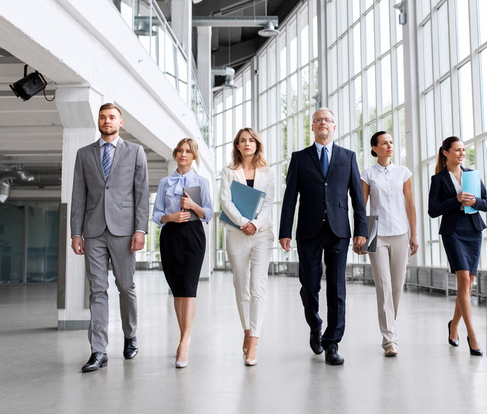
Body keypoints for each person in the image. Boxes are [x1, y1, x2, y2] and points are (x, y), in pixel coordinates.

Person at [279, 107, 368, 365]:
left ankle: (332, 343)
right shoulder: (299, 158)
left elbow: (357, 198)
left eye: (327, 120)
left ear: (334, 126)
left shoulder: (348, 157)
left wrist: (361, 230)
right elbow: (289, 199)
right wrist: (285, 231)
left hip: (339, 231)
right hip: (308, 230)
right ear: (312, 127)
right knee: (309, 286)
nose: (323, 123)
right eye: (318, 120)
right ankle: (315, 324)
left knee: (337, 288)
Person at [71, 103, 149, 372]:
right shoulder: (83, 155)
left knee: (126, 287)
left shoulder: (136, 152)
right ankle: (98, 350)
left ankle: (130, 335)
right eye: (102, 117)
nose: (107, 121)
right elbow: (78, 196)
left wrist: (140, 229)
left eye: (111, 117)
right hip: (93, 231)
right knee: (97, 290)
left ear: (121, 122)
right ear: (98, 121)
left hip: (125, 230)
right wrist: (76, 232)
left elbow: (141, 194)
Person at [151, 138, 213, 368]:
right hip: (171, 236)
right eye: (180, 150)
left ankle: (185, 342)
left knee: (189, 288)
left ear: (194, 156)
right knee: (177, 290)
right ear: (176, 154)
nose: (183, 154)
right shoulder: (165, 182)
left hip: (194, 235)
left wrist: (192, 206)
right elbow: (157, 214)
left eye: (188, 151)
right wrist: (171, 217)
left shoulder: (202, 182)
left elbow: (208, 213)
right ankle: (182, 336)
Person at [428, 136, 487, 356]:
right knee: (463, 278)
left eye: (463, 150)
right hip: (453, 232)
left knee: (468, 284)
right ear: (446, 152)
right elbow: (433, 210)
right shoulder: (438, 179)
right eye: (457, 150)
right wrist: (456, 200)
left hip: (473, 231)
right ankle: (472, 335)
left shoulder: (472, 175)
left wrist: (474, 202)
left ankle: (453, 325)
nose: (462, 153)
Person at [360, 131, 418, 357]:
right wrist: (361, 236)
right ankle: (389, 339)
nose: (389, 146)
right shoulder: (367, 175)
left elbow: (410, 205)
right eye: (384, 143)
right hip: (376, 234)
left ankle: (390, 327)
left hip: (400, 232)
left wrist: (414, 235)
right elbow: (361, 207)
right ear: (374, 148)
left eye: (391, 142)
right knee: (383, 285)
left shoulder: (403, 172)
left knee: (396, 285)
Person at [220, 128, 275, 367]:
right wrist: (244, 223)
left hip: (262, 234)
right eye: (242, 141)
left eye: (251, 140)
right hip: (236, 233)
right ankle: (246, 328)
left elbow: (269, 202)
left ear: (257, 144)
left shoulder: (268, 172)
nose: (247, 144)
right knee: (241, 285)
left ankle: (254, 339)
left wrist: (255, 224)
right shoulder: (229, 171)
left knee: (257, 285)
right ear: (237, 146)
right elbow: (226, 201)